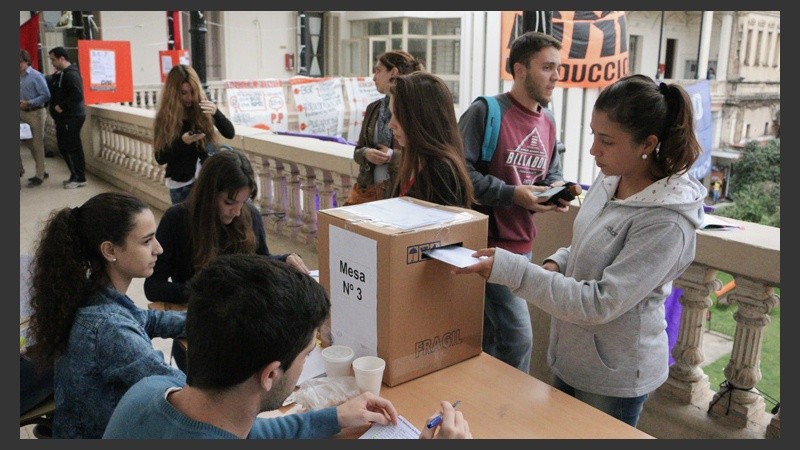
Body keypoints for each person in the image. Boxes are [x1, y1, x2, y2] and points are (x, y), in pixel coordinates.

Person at [453, 74, 707, 427]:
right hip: (571, 356)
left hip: (613, 376)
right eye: (593, 135)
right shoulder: (611, 179)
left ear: (647, 143)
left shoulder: (666, 222)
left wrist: (515, 271)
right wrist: (556, 263)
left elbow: (600, 302)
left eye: (607, 141)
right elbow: (586, 244)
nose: (593, 150)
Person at [105, 255, 471, 439]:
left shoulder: (149, 391)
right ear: (270, 374)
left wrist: (334, 417)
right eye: (306, 355)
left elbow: (248, 430)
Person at [25, 192, 187, 438]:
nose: (159, 249)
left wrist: (206, 319)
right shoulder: (109, 328)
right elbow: (181, 392)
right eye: (147, 241)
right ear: (110, 250)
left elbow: (147, 319)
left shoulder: (91, 292)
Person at [456, 31, 570, 373]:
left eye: (558, 68)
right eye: (547, 68)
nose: (556, 77)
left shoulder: (548, 120)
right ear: (520, 70)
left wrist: (554, 191)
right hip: (487, 245)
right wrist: (512, 193)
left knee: (491, 337)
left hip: (524, 245)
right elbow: (460, 173)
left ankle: (486, 399)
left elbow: (552, 172)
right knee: (519, 339)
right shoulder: (486, 112)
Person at [144, 149, 310, 370]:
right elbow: (153, 287)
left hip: (242, 330)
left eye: (243, 201)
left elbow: (260, 261)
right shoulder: (177, 220)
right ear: (209, 194)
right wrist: (209, 292)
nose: (237, 211)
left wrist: (284, 260)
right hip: (199, 335)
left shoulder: (249, 214)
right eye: (230, 202)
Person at [345, 51, 424, 206]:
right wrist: (366, 153)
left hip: (399, 193)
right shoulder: (373, 108)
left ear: (393, 72)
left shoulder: (415, 110)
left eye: (378, 71)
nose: (374, 77)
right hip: (370, 192)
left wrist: (392, 155)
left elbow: (422, 156)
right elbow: (358, 150)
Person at [388, 71, 474, 207]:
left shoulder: (440, 170)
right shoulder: (412, 158)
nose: (391, 124)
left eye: (398, 115)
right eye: (392, 114)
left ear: (421, 118)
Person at [153, 64, 236, 205]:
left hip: (207, 180)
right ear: (173, 93)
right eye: (184, 93)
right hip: (181, 185)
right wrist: (183, 142)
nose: (190, 98)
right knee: (186, 219)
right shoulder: (165, 117)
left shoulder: (203, 107)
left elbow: (229, 133)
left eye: (193, 92)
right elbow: (160, 157)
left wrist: (216, 112)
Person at [47, 46, 87, 189]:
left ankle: (79, 177)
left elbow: (77, 95)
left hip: (71, 117)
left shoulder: (71, 74)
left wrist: (61, 106)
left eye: (53, 60)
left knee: (71, 146)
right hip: (66, 117)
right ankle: (75, 175)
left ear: (62, 59)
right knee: (66, 146)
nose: (52, 63)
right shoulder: (63, 74)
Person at [19, 48, 51, 187]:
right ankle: (42, 169)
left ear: (26, 61)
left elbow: (46, 95)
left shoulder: (36, 76)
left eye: (19, 62)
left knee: (38, 144)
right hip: (22, 113)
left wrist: (30, 102)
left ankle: (40, 175)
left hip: (36, 112)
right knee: (28, 142)